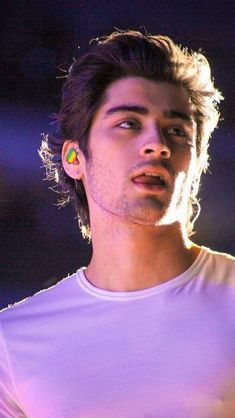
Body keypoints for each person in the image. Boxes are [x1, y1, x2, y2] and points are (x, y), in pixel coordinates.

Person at [0, 29, 234, 418]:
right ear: (75, 158)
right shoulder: (12, 343)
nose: (157, 143)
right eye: (128, 123)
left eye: (177, 130)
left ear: (196, 165)